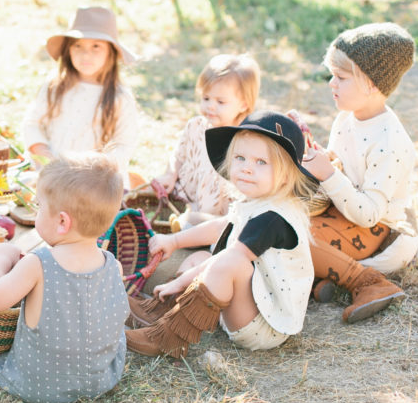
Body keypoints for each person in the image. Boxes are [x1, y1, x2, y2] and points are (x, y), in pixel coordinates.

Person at [126, 111, 318, 357]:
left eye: (261, 162)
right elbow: (220, 226)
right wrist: (174, 240)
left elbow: (229, 258)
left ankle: (170, 337)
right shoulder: (255, 202)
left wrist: (178, 282)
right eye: (240, 158)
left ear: (286, 176)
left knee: (229, 260)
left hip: (264, 324)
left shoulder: (273, 217)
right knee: (201, 259)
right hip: (249, 301)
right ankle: (162, 312)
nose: (247, 169)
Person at [0, 152, 129, 403]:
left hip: (38, 387)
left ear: (62, 221)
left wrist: (2, 257)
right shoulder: (113, 265)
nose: (36, 212)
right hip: (102, 380)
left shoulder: (38, 263)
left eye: (38, 207)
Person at [300, 22, 416, 323]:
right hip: (341, 212)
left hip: (376, 229)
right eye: (331, 75)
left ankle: (372, 285)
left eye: (340, 77)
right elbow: (340, 167)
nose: (330, 83)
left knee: (295, 236)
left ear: (372, 84)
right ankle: (324, 279)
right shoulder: (346, 119)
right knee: (280, 218)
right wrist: (318, 157)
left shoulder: (389, 142)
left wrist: (328, 174)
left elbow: (370, 214)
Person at [21, 6, 139, 183]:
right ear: (68, 49)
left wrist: (95, 167)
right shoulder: (55, 85)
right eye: (78, 45)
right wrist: (45, 156)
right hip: (52, 171)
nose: (86, 54)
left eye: (96, 47)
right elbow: (32, 123)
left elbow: (124, 144)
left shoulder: (120, 97)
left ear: (111, 52)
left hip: (95, 181)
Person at [152, 53, 260, 228]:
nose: (210, 106)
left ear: (243, 105)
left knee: (214, 225)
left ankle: (199, 229)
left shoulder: (244, 141)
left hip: (216, 213)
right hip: (185, 198)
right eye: (206, 98)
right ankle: (182, 220)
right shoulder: (196, 126)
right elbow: (178, 155)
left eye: (220, 102)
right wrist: (171, 174)